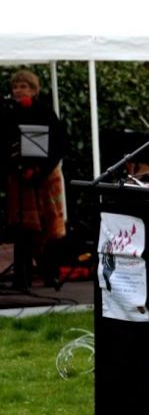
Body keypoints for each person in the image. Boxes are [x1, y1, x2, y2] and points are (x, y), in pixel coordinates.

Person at [2, 70, 68, 289]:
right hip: (20, 179)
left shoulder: (46, 112)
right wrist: (19, 169)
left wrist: (39, 171)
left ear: (34, 89)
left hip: (45, 178)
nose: (18, 91)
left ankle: (51, 273)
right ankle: (23, 276)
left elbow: (58, 146)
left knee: (49, 227)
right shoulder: (8, 113)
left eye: (23, 86)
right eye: (15, 87)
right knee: (22, 228)